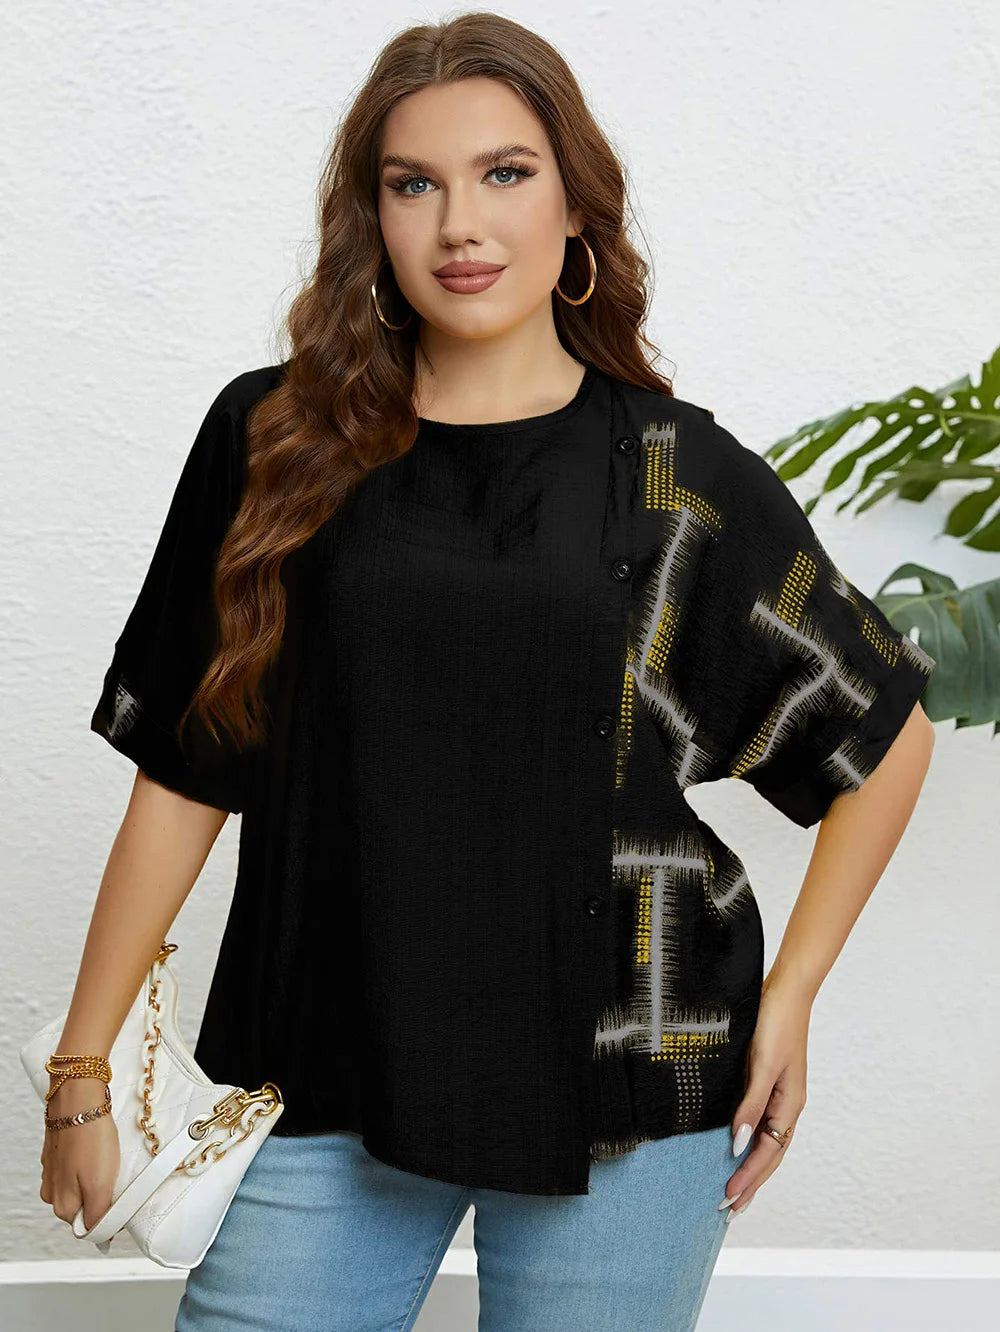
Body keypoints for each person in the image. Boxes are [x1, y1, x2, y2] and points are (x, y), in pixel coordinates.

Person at [39, 13, 936, 1331]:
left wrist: (790, 999)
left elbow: (885, 735)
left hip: (629, 1074)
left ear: (577, 208)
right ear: (373, 219)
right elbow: (184, 771)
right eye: (416, 184)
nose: (461, 224)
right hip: (325, 1059)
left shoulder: (674, 475)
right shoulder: (274, 442)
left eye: (505, 173)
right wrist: (83, 1072)